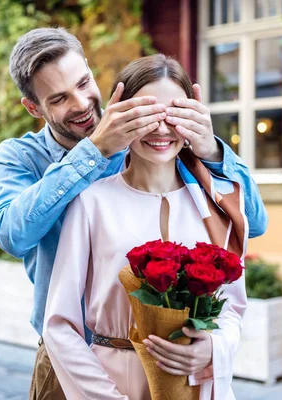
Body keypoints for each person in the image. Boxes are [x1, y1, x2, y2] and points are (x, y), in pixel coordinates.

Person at [0, 27, 267, 399]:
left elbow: (252, 224)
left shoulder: (152, 141)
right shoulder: (21, 158)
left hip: (173, 359)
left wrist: (211, 151)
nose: (82, 103)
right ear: (34, 107)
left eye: (84, 82)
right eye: (59, 98)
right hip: (69, 357)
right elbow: (12, 234)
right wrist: (94, 151)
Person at [43, 54, 249, 400]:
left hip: (196, 384)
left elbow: (234, 308)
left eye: (174, 112)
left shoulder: (217, 205)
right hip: (114, 381)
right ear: (120, 116)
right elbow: (59, 325)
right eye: (147, 113)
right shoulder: (91, 202)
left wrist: (212, 347)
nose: (161, 128)